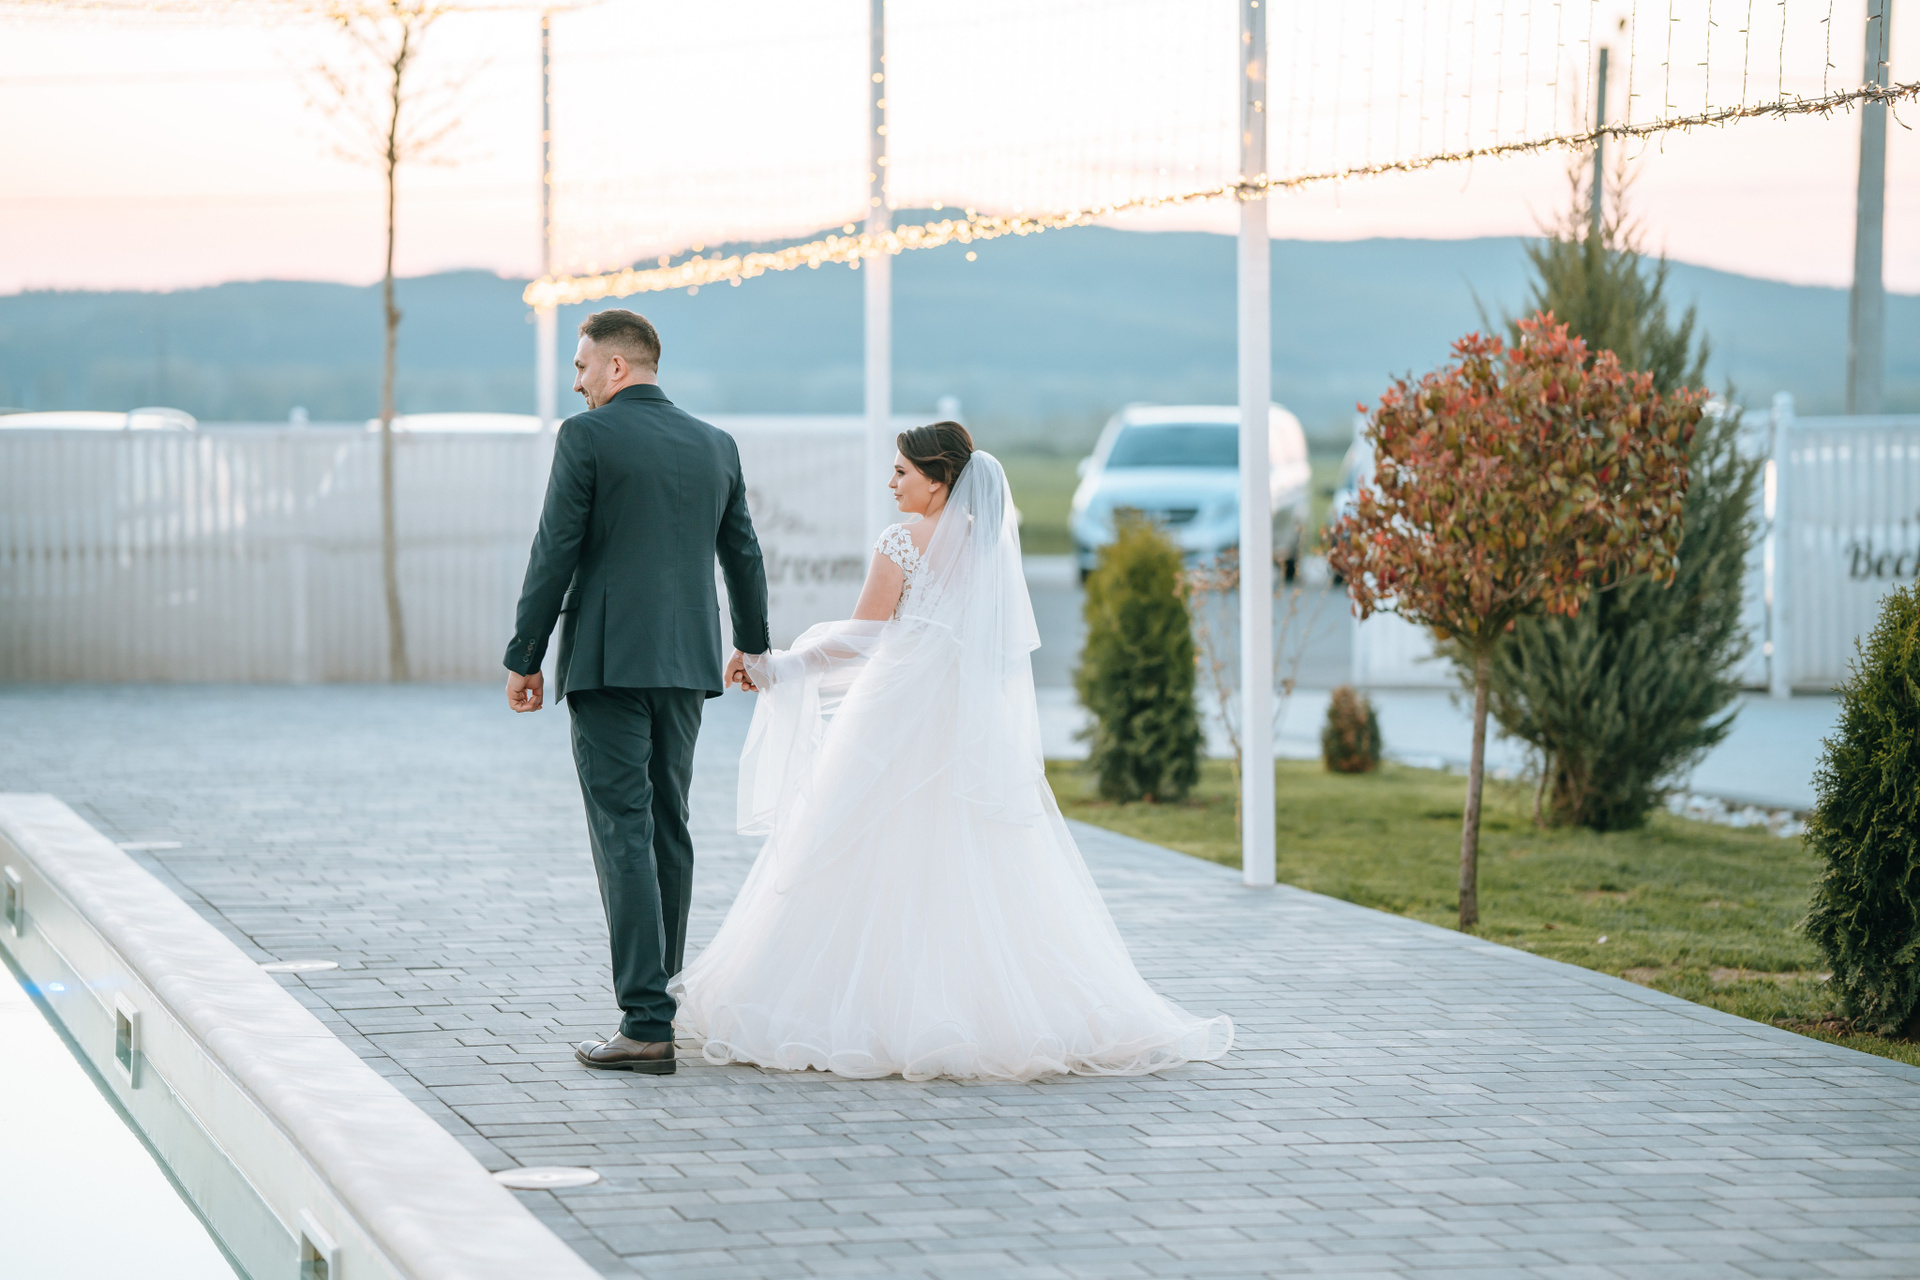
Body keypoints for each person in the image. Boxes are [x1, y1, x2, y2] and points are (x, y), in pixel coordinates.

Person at [674, 422, 1232, 1081]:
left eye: (902, 472)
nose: (891, 483)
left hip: (893, 721)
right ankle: (985, 1011)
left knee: (864, 850)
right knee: (970, 860)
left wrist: (781, 665)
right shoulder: (987, 544)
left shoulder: (901, 542)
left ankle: (868, 1011)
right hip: (965, 723)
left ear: (938, 482)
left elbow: (861, 639)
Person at [504, 308, 769, 1076]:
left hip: (610, 660)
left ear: (617, 366)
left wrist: (525, 655)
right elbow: (743, 553)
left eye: (582, 365)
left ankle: (647, 1023)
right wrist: (752, 645)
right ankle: (661, 1003)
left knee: (622, 829)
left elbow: (555, 548)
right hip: (687, 661)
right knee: (667, 827)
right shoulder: (715, 444)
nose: (578, 381)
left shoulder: (586, 436)